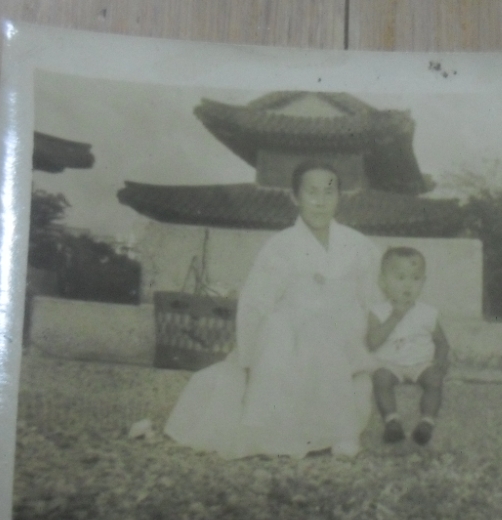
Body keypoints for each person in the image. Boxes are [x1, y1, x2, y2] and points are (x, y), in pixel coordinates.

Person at [165, 160, 381, 459]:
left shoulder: (359, 246)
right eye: (312, 192)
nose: (320, 202)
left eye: (329, 193)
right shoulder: (280, 245)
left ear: (339, 197)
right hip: (294, 331)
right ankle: (291, 434)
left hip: (346, 332)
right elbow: (255, 303)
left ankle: (336, 431)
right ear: (295, 197)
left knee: (325, 341)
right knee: (282, 333)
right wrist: (249, 356)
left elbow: (374, 301)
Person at [367, 247, 450, 445]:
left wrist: (440, 360)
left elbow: (441, 341)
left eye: (415, 278)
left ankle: (426, 422)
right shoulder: (378, 311)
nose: (408, 285)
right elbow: (372, 342)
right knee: (380, 378)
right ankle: (392, 421)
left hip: (420, 363)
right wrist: (395, 316)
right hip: (390, 364)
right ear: (383, 282)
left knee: (434, 380)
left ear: (423, 282)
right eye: (400, 278)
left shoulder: (427, 312)